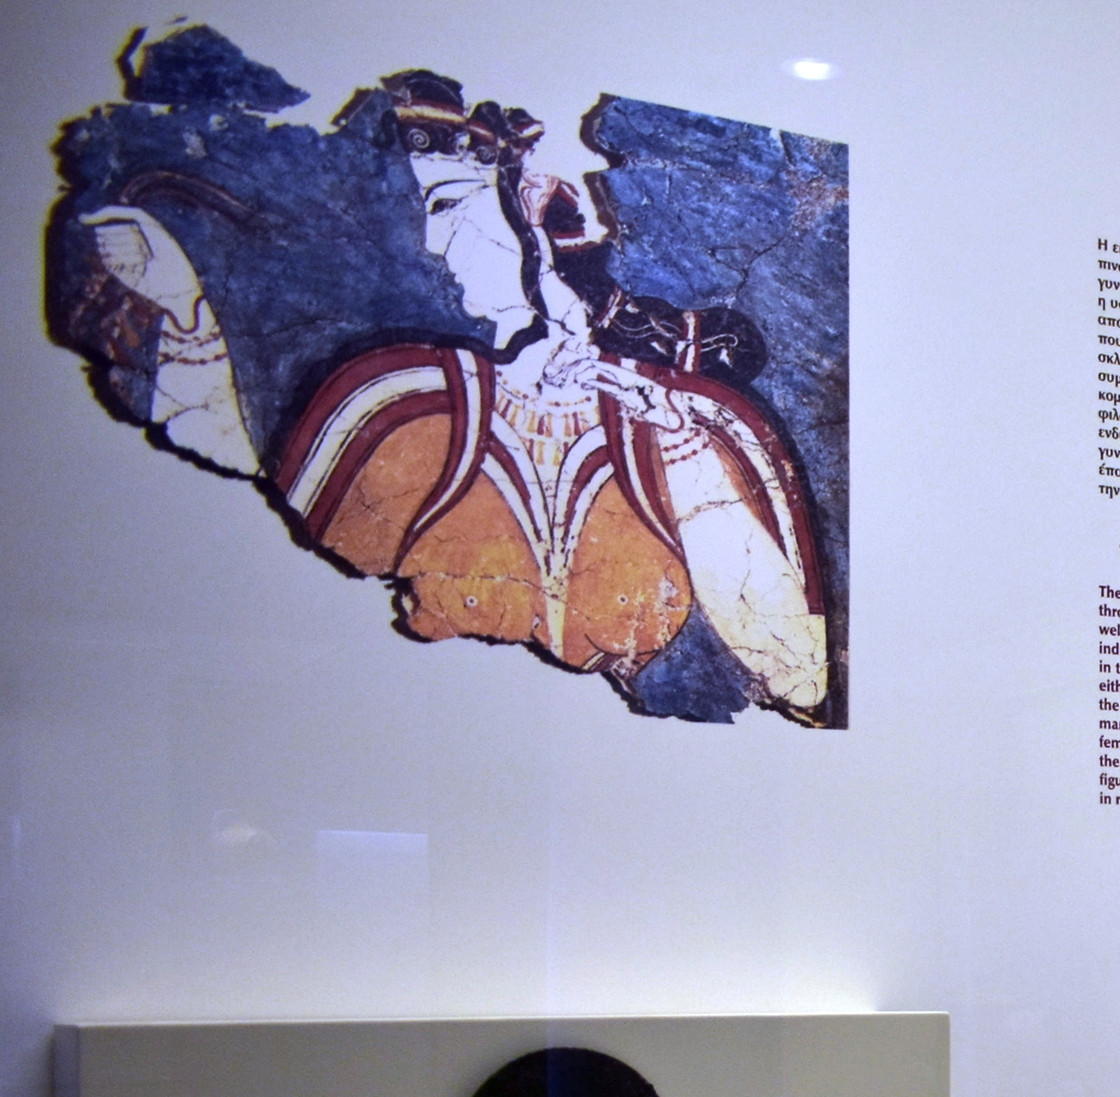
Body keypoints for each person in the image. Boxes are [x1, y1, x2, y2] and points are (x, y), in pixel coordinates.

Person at [73, 70, 833, 723]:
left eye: (465, 204)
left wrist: (683, 450)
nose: (461, 244)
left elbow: (798, 676)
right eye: (429, 219)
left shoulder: (673, 421)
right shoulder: (406, 399)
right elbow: (255, 444)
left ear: (531, 218)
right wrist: (184, 308)